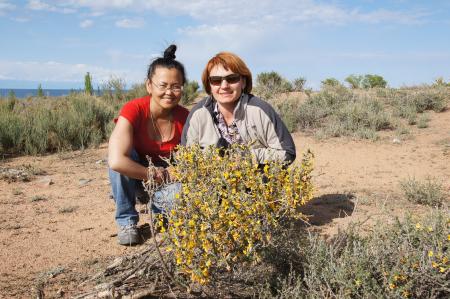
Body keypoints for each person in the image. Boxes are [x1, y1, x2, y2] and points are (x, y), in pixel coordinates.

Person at [108, 45, 189, 246]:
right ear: (149, 86)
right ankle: (127, 221)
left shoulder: (186, 117)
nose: (169, 92)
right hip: (137, 178)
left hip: (166, 183)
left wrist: (172, 174)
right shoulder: (134, 109)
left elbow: (191, 161)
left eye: (176, 86)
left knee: (174, 213)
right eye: (163, 85)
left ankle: (158, 211)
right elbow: (117, 161)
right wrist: (155, 174)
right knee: (122, 161)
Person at [181, 51, 295, 166]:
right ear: (209, 86)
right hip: (210, 182)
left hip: (259, 181)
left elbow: (287, 153)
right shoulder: (199, 113)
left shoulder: (259, 110)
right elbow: (186, 158)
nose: (224, 86)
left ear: (243, 82)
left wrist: (246, 157)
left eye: (232, 78)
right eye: (216, 80)